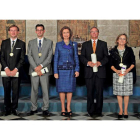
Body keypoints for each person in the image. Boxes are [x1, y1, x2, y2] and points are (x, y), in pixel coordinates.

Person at [80, 27, 108, 117]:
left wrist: (100, 63)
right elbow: (82, 57)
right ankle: (90, 111)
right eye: (92, 32)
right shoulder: (85, 44)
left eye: (96, 32)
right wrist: (88, 63)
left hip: (100, 72)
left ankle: (99, 111)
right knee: (90, 92)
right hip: (89, 72)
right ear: (90, 33)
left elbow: (106, 57)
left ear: (98, 33)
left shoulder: (103, 44)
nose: (94, 33)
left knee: (99, 93)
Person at [27, 24, 53, 116]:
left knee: (45, 90)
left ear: (44, 31)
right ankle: (33, 108)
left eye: (41, 30)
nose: (39, 32)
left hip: (45, 70)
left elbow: (49, 57)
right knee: (34, 90)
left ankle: (45, 108)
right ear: (35, 31)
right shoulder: (31, 42)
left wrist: (41, 66)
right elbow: (29, 56)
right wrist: (35, 68)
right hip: (34, 70)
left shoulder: (49, 42)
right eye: (38, 30)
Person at [54, 26, 79, 116]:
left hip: (71, 70)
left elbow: (76, 57)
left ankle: (68, 107)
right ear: (62, 34)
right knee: (62, 90)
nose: (66, 34)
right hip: (61, 70)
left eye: (67, 32)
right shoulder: (58, 45)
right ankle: (63, 108)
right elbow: (56, 58)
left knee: (69, 89)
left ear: (70, 34)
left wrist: (77, 69)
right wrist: (55, 72)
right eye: (64, 33)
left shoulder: (74, 44)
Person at [0, 25, 26, 116]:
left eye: (15, 30)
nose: (13, 32)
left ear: (18, 32)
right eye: (11, 30)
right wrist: (6, 68)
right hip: (5, 71)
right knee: (6, 90)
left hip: (16, 72)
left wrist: (16, 69)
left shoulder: (22, 44)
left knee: (15, 91)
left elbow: (22, 59)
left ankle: (14, 109)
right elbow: (1, 57)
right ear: (9, 32)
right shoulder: (4, 42)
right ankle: (7, 108)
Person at [110, 33, 135, 119]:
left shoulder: (129, 50)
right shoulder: (113, 51)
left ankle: (126, 110)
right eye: (120, 38)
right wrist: (116, 71)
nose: (122, 40)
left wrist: (127, 70)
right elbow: (110, 64)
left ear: (126, 41)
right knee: (119, 93)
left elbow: (133, 63)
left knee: (126, 94)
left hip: (127, 74)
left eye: (124, 39)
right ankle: (121, 110)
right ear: (117, 40)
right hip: (117, 74)